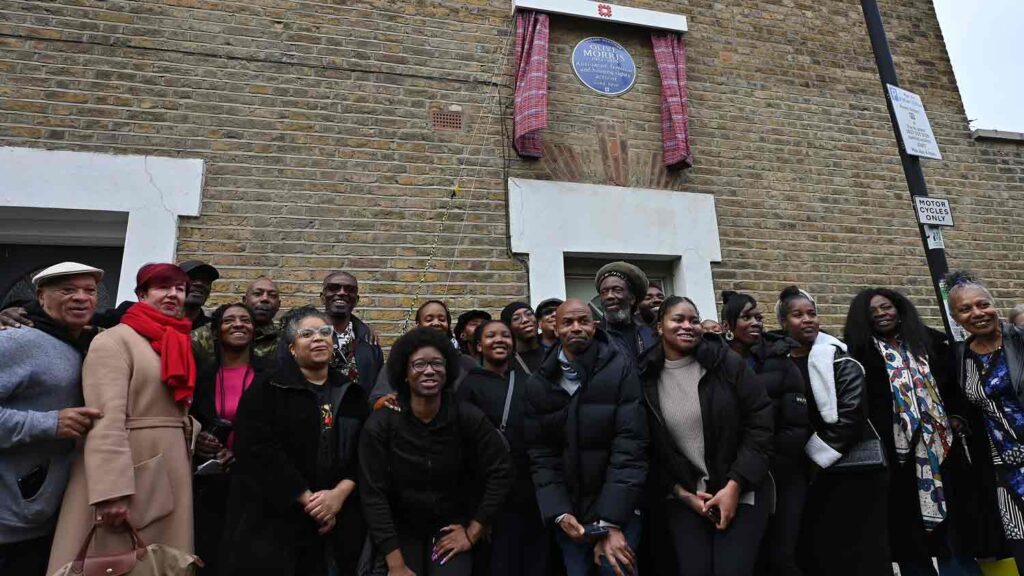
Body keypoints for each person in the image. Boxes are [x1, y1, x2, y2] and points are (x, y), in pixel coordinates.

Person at [47, 263, 198, 574]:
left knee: (159, 564)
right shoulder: (113, 342)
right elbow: (105, 419)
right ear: (142, 294)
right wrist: (111, 491)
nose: (172, 295)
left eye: (179, 289)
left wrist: (190, 428)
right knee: (119, 563)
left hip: (169, 468)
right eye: (161, 288)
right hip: (130, 472)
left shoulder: (175, 341)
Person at [845, 288, 984, 576]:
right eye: (873, 312)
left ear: (899, 308)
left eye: (887, 307)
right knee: (908, 530)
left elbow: (955, 388)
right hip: (897, 456)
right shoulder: (858, 354)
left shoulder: (931, 343)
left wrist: (956, 418)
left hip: (942, 448)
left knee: (956, 527)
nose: (882, 314)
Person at [221, 306, 368, 575]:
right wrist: (308, 499)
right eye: (307, 334)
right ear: (291, 348)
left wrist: (338, 495)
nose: (318, 338)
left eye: (325, 333)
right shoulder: (269, 388)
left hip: (337, 519)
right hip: (275, 521)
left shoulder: (352, 393)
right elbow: (257, 449)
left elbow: (365, 452)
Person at [359, 327, 513, 576]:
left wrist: (474, 530)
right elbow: (372, 493)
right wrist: (395, 564)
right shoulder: (382, 423)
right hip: (400, 531)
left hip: (451, 526)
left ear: (447, 370)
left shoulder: (467, 416)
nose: (429, 371)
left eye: (436, 364)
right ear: (405, 374)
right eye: (418, 364)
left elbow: (501, 470)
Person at [641, 296, 773, 576]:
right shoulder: (646, 377)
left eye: (694, 320)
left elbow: (760, 422)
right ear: (659, 327)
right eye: (678, 319)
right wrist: (682, 494)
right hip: (686, 496)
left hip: (742, 488)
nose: (687, 326)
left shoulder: (726, 363)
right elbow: (650, 448)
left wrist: (734, 486)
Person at [525, 298, 648, 576]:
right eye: (567, 322)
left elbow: (630, 447)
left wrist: (610, 522)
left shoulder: (621, 370)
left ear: (595, 326)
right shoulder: (539, 383)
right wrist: (559, 513)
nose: (576, 328)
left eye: (583, 321)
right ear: (554, 329)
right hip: (572, 515)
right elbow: (541, 455)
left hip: (620, 511)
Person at [774, 286, 890, 576]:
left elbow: (852, 414)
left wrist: (816, 455)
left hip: (853, 469)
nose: (808, 320)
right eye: (798, 315)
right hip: (810, 475)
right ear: (783, 322)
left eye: (812, 313)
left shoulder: (839, 358)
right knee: (822, 550)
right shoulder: (775, 362)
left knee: (864, 550)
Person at [0, 263, 105, 576]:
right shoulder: (16, 342)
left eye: (90, 291)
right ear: (41, 296)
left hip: (44, 519)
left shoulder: (80, 344)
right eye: (67, 290)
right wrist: (50, 423)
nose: (81, 298)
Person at [720, 291, 810, 576]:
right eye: (746, 317)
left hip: (780, 476)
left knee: (782, 556)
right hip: (734, 478)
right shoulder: (714, 363)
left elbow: (796, 425)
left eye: (758, 317)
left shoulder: (780, 360)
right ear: (727, 326)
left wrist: (764, 464)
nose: (755, 323)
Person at [457, 319, 548, 576]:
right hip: (489, 492)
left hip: (529, 488)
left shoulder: (528, 382)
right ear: (478, 346)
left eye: (505, 336)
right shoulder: (468, 386)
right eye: (491, 336)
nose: (499, 340)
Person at [947, 271, 1024, 568]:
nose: (977, 313)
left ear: (995, 305)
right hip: (1002, 467)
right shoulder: (961, 357)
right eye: (966, 309)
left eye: (983, 304)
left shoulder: (1019, 341)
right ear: (956, 317)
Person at [190, 302, 267, 575]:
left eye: (245, 320)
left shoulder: (270, 376)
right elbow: (188, 418)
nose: (238, 324)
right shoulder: (201, 376)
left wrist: (243, 451)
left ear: (254, 330)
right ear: (216, 332)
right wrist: (197, 439)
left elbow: (278, 428)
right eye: (229, 320)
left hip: (256, 485)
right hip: (209, 486)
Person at [370, 300, 478, 408]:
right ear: (418, 325)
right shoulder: (399, 361)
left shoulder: (466, 363)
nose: (436, 323)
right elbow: (376, 402)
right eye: (429, 319)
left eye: (442, 319)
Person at [192, 277, 282, 366]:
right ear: (244, 300)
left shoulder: (283, 340)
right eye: (257, 294)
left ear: (278, 304)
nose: (265, 299)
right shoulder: (210, 332)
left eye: (272, 295)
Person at [321, 271, 384, 391]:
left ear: (356, 300)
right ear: (322, 297)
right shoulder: (307, 336)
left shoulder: (369, 341)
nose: (342, 292)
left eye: (350, 289)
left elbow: (377, 385)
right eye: (334, 288)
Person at [594, 262, 657, 363]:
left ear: (632, 298)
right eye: (604, 292)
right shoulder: (594, 335)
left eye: (617, 290)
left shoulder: (650, 334)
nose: (609, 296)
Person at [502, 301, 545, 374]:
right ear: (509, 327)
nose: (525, 320)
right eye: (516, 318)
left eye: (529, 314)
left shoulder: (552, 353)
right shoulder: (506, 363)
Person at [179, 260, 220, 330]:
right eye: (191, 278)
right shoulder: (157, 324)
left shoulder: (216, 330)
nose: (199, 283)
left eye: (205, 280)